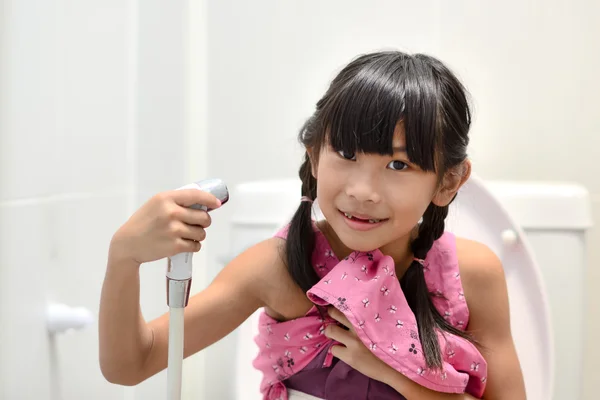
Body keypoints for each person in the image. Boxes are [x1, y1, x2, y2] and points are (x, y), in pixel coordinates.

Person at [99, 51, 527, 400]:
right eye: (345, 152)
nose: (363, 190)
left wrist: (394, 371)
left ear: (447, 181)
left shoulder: (470, 275)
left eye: (399, 164)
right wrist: (124, 256)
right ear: (313, 154)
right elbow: (131, 364)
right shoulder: (278, 266)